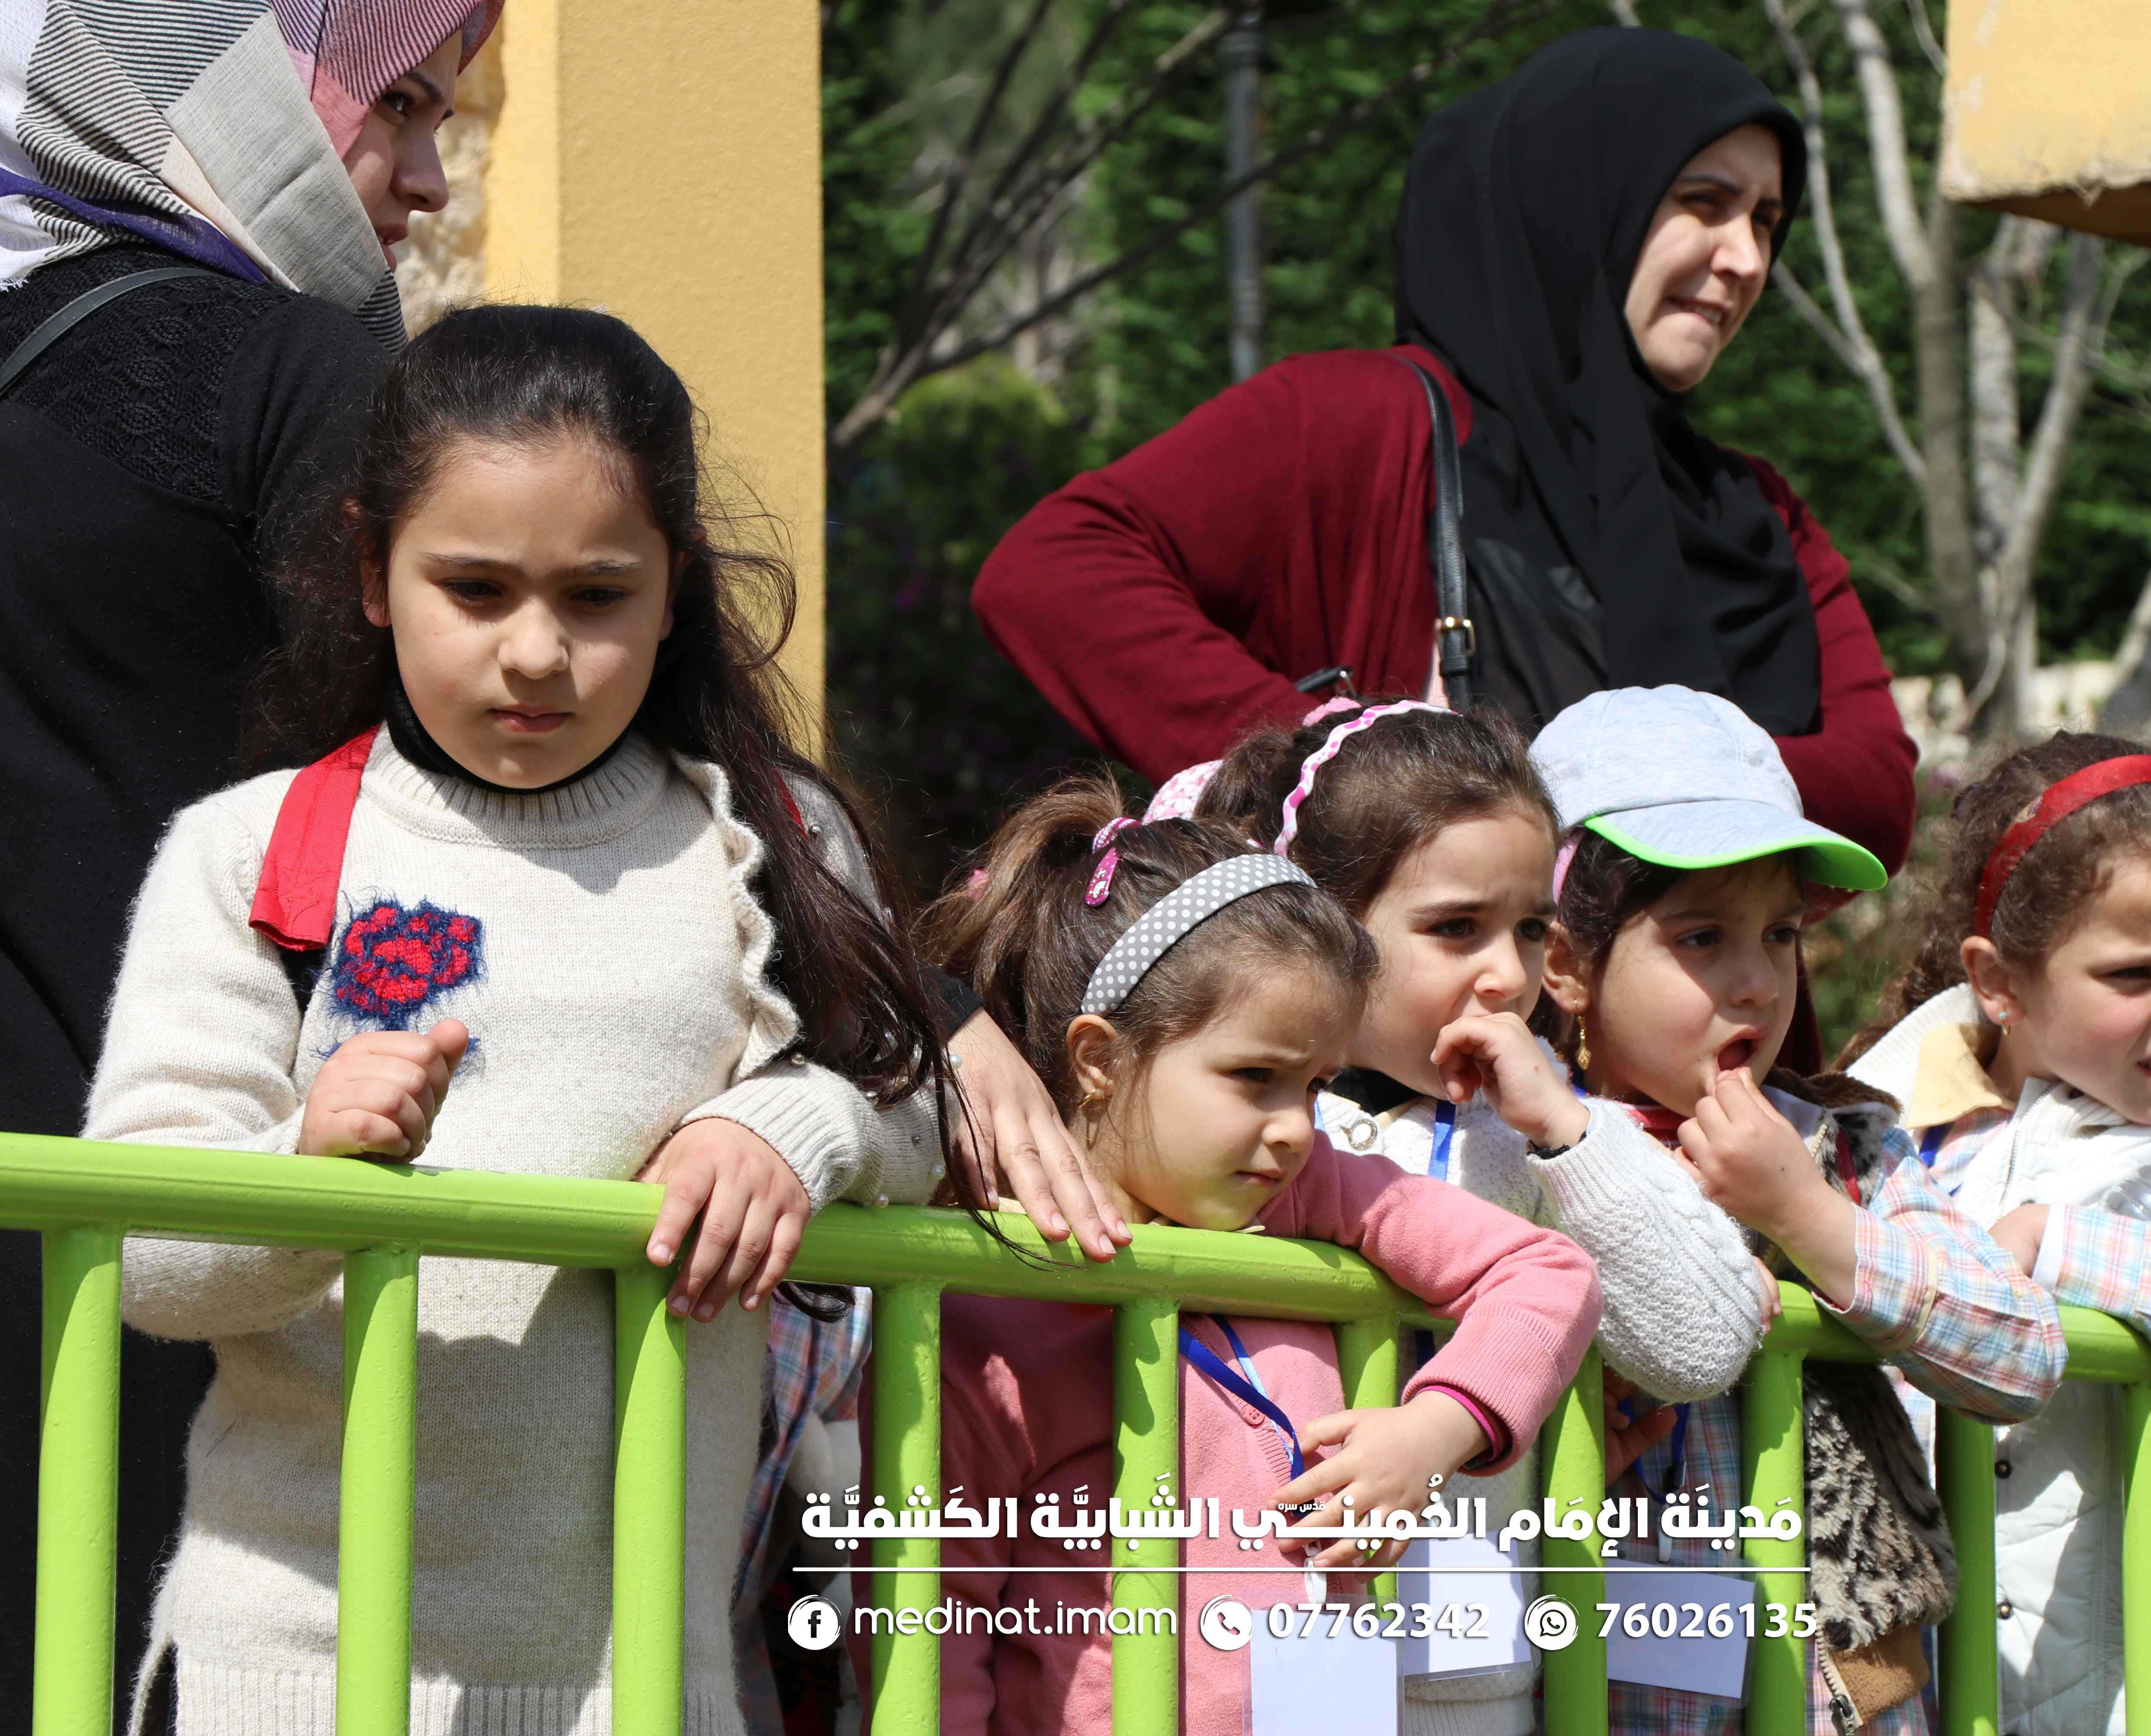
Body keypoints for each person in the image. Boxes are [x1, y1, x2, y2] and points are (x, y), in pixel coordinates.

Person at [84, 305, 956, 1728]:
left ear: (676, 591)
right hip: (287, 1677)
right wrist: (308, 1167)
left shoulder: (776, 841)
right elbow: (142, 1258)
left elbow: (916, 1109)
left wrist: (795, 1127)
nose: (538, 653)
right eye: (476, 589)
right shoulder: (253, 854)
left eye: (597, 595)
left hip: (642, 1693)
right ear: (372, 572)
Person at [971, 27, 1919, 1069]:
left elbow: (1877, 793)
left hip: (1717, 1117)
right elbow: (1054, 571)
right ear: (1578, 202)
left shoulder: (1756, 511)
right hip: (1418, 1111)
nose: (1745, 257)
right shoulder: (1362, 422)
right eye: (1704, 202)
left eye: (1767, 220)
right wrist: (1344, 773)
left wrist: (1570, 778)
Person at [0, 5, 496, 1720]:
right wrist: (911, 1018)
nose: (428, 181)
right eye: (399, 104)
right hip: (193, 1272)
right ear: (237, 82)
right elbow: (527, 792)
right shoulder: (306, 386)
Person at [917, 783, 1602, 1734]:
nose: (1294, 1128)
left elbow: (1549, 1273)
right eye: (1255, 1076)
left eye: (1316, 1084)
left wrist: (1433, 1431)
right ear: (1099, 1059)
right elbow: (937, 1625)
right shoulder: (994, 1305)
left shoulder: (1306, 1187)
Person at [1193, 695, 1796, 1733]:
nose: (1509, 977)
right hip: (1247, 1669)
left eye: (1529, 929)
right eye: (1455, 928)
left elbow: (1703, 1340)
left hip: (1478, 1691)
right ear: (1321, 923)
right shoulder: (1233, 1119)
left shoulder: (1531, 1133)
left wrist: (1564, 1124)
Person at [1525, 686, 2062, 1733]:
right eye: (1702, 937)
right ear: (1566, 963)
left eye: (1779, 935)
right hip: (1602, 1694)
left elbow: (2021, 1354)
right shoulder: (1520, 1151)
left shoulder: (1845, 1149)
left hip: (1841, 1699)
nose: (1760, 983)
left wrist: (1807, 1214)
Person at [1842, 732, 2151, 1736]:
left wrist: (2063, 1247)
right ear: (1999, 981)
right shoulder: (1885, 1123)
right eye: (2135, 973)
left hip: (2144, 1695)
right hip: (1932, 1681)